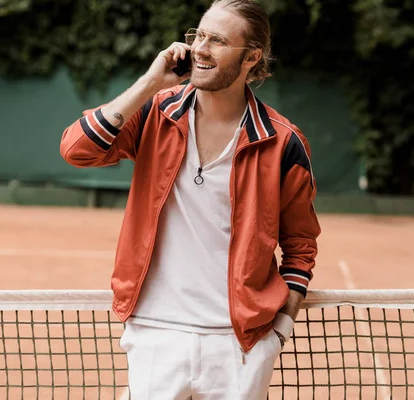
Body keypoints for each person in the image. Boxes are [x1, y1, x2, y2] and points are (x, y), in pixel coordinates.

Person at [60, 0, 321, 398]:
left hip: (239, 342)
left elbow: (300, 244)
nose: (200, 47)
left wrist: (278, 332)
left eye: (217, 40)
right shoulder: (155, 113)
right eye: (198, 35)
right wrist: (150, 83)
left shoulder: (283, 143)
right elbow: (77, 149)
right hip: (154, 330)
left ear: (251, 57)